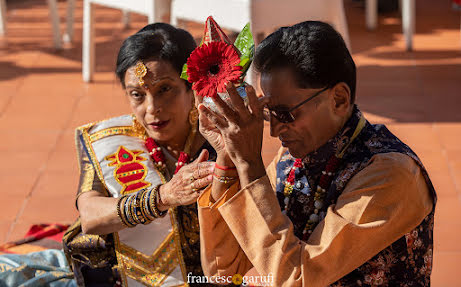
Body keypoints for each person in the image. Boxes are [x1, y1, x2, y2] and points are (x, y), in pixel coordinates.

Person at [196, 21, 435, 286]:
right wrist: (227, 156)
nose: (275, 131)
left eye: (286, 114)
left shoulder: (392, 174)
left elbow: (296, 278)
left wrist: (250, 163)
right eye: (269, 114)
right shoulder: (294, 159)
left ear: (339, 100)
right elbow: (223, 269)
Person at [0, 23, 216, 287]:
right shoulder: (112, 141)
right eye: (137, 95)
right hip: (108, 274)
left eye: (164, 90)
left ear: (190, 86)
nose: (152, 109)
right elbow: (90, 215)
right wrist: (162, 197)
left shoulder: (216, 145)